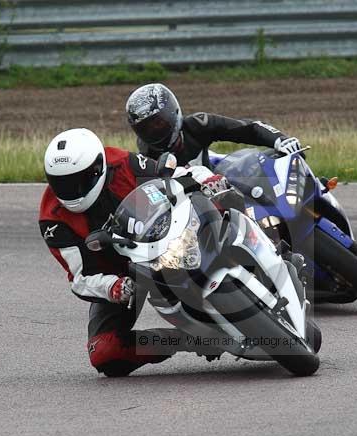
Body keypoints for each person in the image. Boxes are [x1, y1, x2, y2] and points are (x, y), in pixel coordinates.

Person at [38, 127, 225, 377]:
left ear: (98, 168)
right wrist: (115, 287)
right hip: (122, 275)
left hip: (164, 239)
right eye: (60, 183)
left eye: (79, 180)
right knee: (105, 353)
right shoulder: (52, 218)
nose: (71, 190)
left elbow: (175, 176)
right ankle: (190, 339)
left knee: (219, 199)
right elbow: (80, 278)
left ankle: (266, 251)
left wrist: (205, 180)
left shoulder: (123, 163)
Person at [125, 83, 302, 169]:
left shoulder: (198, 124)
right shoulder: (146, 156)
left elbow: (248, 128)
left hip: (217, 173)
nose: (154, 131)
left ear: (172, 112)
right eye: (145, 128)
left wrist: (280, 140)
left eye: (158, 122)